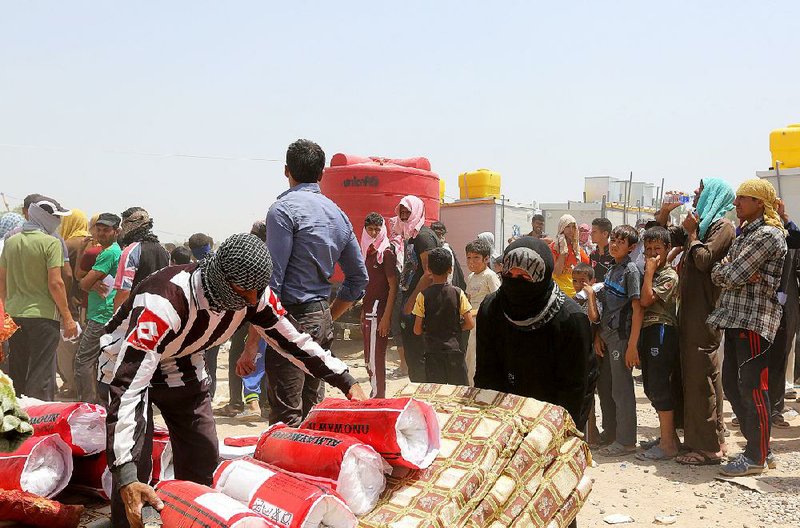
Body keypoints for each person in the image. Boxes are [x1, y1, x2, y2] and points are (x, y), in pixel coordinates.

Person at [99, 233, 366, 528]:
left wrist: (345, 379)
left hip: (183, 361)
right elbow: (129, 387)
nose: (251, 301)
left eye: (257, 292)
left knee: (202, 455)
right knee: (136, 470)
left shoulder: (254, 294)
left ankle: (190, 517)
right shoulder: (164, 303)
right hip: (126, 364)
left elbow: (295, 341)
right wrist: (125, 472)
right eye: (243, 292)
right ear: (219, 278)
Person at [264, 139, 368, 425]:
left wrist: (255, 337)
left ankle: (288, 467)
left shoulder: (282, 211)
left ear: (287, 170)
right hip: (320, 318)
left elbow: (272, 283)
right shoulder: (339, 215)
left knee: (286, 418)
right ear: (321, 174)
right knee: (313, 413)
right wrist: (329, 315)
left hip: (291, 318)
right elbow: (359, 278)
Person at [475, 237, 596, 432]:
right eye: (509, 275)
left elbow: (576, 388)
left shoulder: (570, 319)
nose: (515, 282)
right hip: (504, 410)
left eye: (524, 277)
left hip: (553, 411)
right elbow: (486, 372)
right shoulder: (492, 308)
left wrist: (558, 433)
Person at [708, 179, 787, 476]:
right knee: (732, 384)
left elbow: (734, 272)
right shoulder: (745, 235)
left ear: (760, 204)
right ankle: (760, 447)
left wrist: (735, 272)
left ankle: (757, 456)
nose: (737, 203)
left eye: (744, 198)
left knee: (754, 387)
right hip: (736, 318)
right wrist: (734, 272)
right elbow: (719, 272)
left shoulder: (767, 235)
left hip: (755, 320)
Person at [656, 178, 735, 466]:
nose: (696, 195)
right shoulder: (702, 224)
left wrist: (691, 235)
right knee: (702, 374)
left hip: (705, 310)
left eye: (701, 191)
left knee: (700, 375)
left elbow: (703, 259)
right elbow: (662, 237)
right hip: (691, 309)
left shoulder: (721, 227)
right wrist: (665, 213)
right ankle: (715, 439)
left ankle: (706, 448)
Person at [0, 199, 78, 400]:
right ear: (45, 217)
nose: (58, 221)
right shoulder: (51, 242)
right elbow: (56, 283)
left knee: (18, 368)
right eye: (56, 217)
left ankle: (18, 417)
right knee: (41, 372)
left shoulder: (10, 242)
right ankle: (39, 421)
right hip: (43, 316)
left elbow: (2, 282)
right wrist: (67, 317)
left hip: (15, 314)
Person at [635, 226, 682, 461]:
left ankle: (668, 446)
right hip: (648, 331)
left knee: (659, 385)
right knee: (651, 387)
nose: (652, 254)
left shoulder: (668, 275)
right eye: (648, 250)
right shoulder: (650, 272)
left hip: (662, 330)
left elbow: (645, 299)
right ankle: (668, 437)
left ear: (667, 250)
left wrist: (650, 272)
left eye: (657, 249)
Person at [596, 225, 642, 457]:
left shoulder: (631, 271)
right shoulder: (612, 269)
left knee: (622, 390)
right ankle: (615, 435)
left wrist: (632, 345)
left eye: (620, 242)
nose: (614, 244)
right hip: (608, 335)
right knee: (611, 388)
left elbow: (637, 309)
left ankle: (626, 442)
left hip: (621, 338)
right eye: (613, 239)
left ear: (632, 247)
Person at [75, 213, 121, 404]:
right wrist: (90, 283)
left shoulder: (109, 253)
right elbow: (84, 280)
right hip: (103, 311)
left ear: (116, 232)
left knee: (83, 360)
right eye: (99, 229)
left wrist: (88, 283)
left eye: (106, 230)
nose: (101, 233)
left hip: (101, 314)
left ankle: (88, 404)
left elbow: (83, 282)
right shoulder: (110, 251)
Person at [412, 247, 474, 385]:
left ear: (429, 269)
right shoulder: (458, 293)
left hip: (433, 353)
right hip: (455, 352)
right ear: (450, 269)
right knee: (458, 395)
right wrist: (455, 329)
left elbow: (417, 329)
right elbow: (470, 323)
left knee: (437, 396)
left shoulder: (422, 296)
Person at [396, 195, 440, 382]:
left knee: (419, 355)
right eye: (402, 212)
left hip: (420, 303)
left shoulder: (423, 237)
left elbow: (430, 274)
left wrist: (412, 300)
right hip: (412, 299)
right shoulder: (412, 235)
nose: (404, 215)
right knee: (413, 354)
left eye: (408, 211)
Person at [360, 213, 399, 398]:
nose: (374, 233)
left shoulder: (386, 253)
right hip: (368, 311)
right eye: (370, 229)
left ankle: (378, 397)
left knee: (376, 359)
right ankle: (375, 393)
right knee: (368, 359)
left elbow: (393, 286)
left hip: (378, 312)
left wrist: (386, 318)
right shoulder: (366, 251)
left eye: (377, 229)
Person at [768, 201, 800, 429]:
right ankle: (749, 411)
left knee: (780, 358)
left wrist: (785, 218)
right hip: (760, 307)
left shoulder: (789, 232)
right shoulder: (753, 232)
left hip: (786, 304)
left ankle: (775, 409)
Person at [57, 209, 91, 397]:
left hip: (70, 301)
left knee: (66, 348)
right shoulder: (93, 242)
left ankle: (72, 384)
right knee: (83, 346)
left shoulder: (67, 243)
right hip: (89, 302)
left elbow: (66, 275)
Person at [113, 207, 170, 311]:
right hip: (158, 314)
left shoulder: (130, 251)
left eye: (124, 224)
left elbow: (124, 291)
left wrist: (115, 320)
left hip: (136, 315)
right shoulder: (164, 251)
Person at [187, 232, 221, 399]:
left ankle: (201, 391)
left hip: (198, 322)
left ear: (192, 252)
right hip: (218, 321)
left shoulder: (192, 271)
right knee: (211, 360)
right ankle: (210, 392)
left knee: (197, 359)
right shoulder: (221, 265)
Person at [464, 238, 501, 385]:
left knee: (479, 357)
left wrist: (475, 312)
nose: (471, 261)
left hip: (485, 323)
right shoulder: (471, 277)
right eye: (468, 258)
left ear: (486, 259)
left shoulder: (490, 276)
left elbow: (497, 302)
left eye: (476, 258)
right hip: (472, 323)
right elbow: (468, 299)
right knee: (471, 358)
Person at [550, 214, 590, 298]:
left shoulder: (577, 250)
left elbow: (587, 268)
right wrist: (563, 252)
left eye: (573, 227)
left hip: (575, 295)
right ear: (562, 228)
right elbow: (557, 272)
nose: (571, 230)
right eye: (567, 227)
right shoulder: (554, 247)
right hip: (558, 294)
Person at [590, 217, 615, 283]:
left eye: (594, 232)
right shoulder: (593, 255)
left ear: (605, 234)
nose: (591, 234)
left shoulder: (614, 255)